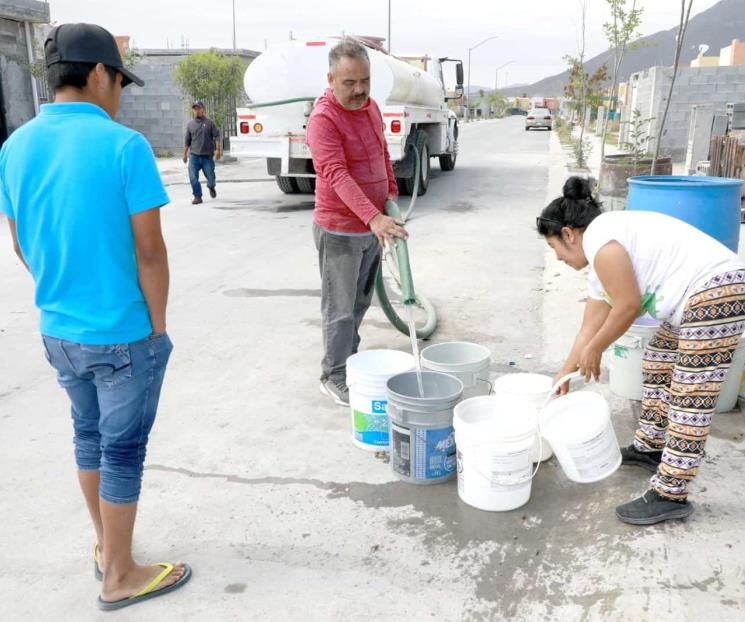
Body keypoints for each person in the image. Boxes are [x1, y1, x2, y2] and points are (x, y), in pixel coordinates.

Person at [0, 23, 191, 610]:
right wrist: (155, 328)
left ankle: (107, 547)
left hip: (58, 330)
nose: (120, 95)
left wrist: (63, 293)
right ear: (100, 74)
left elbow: (21, 245)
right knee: (123, 451)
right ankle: (120, 576)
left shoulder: (15, 146)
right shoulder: (123, 146)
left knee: (88, 437)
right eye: (120, 82)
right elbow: (150, 252)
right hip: (123, 333)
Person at [537, 176, 745, 526]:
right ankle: (651, 446)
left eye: (554, 246)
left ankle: (671, 493)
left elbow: (628, 306)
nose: (556, 256)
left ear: (569, 233)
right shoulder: (598, 262)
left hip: (717, 291)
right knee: (658, 360)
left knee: (690, 394)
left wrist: (598, 349)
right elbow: (588, 328)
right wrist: (567, 370)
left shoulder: (602, 237)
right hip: (693, 298)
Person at [306, 39, 408, 406]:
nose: (359, 89)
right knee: (340, 308)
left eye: (365, 80)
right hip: (340, 230)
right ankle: (333, 375)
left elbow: (382, 152)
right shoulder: (324, 119)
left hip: (372, 226)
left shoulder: (371, 108)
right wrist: (373, 216)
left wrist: (391, 198)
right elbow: (335, 172)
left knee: (361, 302)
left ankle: (349, 361)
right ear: (331, 78)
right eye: (349, 83)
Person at [183, 100, 221, 205]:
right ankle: (197, 196)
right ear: (193, 110)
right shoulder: (190, 125)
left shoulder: (209, 123)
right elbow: (187, 141)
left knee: (211, 177)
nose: (197, 110)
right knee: (192, 177)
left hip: (207, 157)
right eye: (195, 108)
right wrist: (185, 154)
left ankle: (211, 186)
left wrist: (218, 150)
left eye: (199, 108)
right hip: (194, 156)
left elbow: (217, 136)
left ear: (203, 109)